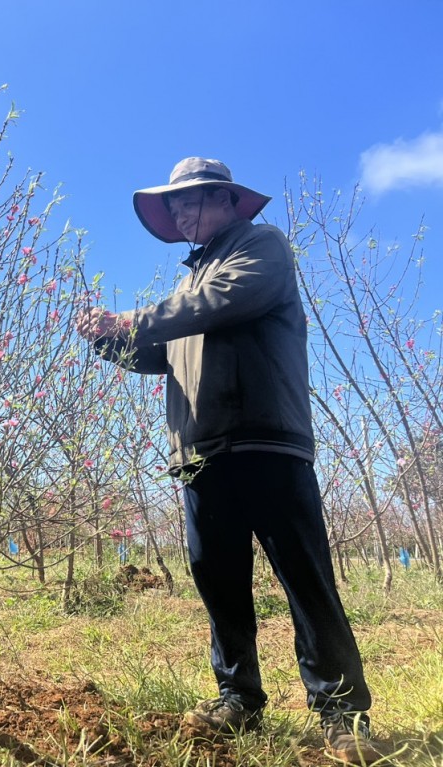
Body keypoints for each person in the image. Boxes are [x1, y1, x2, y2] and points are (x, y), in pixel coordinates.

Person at [75, 158, 385, 764]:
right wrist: (111, 341)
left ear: (226, 201)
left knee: (305, 581)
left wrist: (131, 319)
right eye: (176, 208)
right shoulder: (190, 285)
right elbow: (165, 354)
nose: (183, 215)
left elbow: (218, 304)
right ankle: (237, 696)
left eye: (191, 203)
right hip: (200, 451)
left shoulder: (260, 249)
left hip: (266, 440)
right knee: (218, 583)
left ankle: (342, 713)